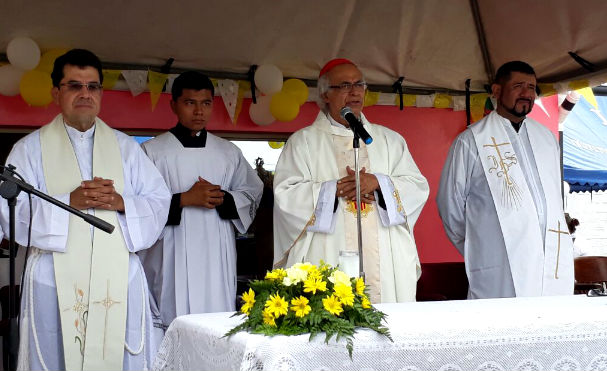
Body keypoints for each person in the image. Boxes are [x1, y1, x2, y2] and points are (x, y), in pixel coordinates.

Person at [0, 49, 171, 371]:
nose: (85, 94)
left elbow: (158, 200)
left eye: (93, 87)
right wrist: (69, 202)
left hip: (117, 276)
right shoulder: (28, 149)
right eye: (74, 85)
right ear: (56, 92)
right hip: (53, 278)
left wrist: (122, 202)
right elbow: (11, 213)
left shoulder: (125, 148)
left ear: (101, 94)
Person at [273, 58, 429, 303]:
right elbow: (286, 194)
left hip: (384, 256)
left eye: (360, 84)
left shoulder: (389, 140)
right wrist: (332, 190)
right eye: (344, 85)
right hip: (327, 250)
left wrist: (378, 184)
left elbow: (417, 186)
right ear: (325, 94)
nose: (355, 91)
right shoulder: (303, 142)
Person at [437, 61, 574, 299]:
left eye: (531, 87)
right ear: (497, 91)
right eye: (518, 86)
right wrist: (482, 243)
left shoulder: (547, 138)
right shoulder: (471, 141)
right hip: (499, 262)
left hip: (550, 257)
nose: (526, 93)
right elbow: (450, 205)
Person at [139, 71, 263, 330]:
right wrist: (183, 199)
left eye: (206, 103)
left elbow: (252, 192)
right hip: (170, 252)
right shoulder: (152, 152)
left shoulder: (228, 152)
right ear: (173, 105)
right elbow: (137, 204)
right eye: (190, 103)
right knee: (173, 323)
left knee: (216, 322)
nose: (199, 111)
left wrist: (226, 198)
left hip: (216, 252)